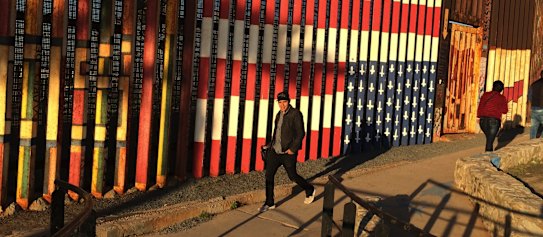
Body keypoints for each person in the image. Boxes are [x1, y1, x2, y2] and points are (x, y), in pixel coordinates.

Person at [259, 91, 315, 212]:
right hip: (275, 151)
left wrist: (293, 149)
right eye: (280, 102)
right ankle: (270, 202)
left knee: (292, 176)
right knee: (269, 175)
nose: (282, 105)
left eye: (284, 102)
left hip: (287, 152)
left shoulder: (295, 114)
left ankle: (309, 189)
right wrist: (270, 145)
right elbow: (277, 133)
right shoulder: (278, 114)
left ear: (289, 101)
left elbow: (300, 133)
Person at [477, 81, 508, 152]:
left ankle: (488, 156)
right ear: (501, 90)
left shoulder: (485, 95)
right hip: (494, 122)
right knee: (489, 142)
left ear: (493, 87)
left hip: (482, 121)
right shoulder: (501, 98)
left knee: (489, 140)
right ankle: (487, 158)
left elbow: (481, 106)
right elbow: (505, 111)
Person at [528, 70, 543, 139]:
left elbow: (529, 97)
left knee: (534, 126)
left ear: (540, 75)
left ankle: (531, 141)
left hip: (534, 107)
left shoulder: (533, 84)